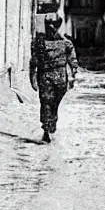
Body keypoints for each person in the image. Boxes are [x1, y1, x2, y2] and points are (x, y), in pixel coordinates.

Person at [30, 14, 79, 143]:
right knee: (46, 102)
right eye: (49, 25)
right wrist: (33, 77)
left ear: (58, 27)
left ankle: (51, 122)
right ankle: (47, 129)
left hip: (59, 77)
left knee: (53, 103)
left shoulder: (66, 43)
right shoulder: (40, 43)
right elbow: (34, 62)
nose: (51, 28)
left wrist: (74, 75)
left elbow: (73, 61)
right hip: (47, 76)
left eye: (54, 26)